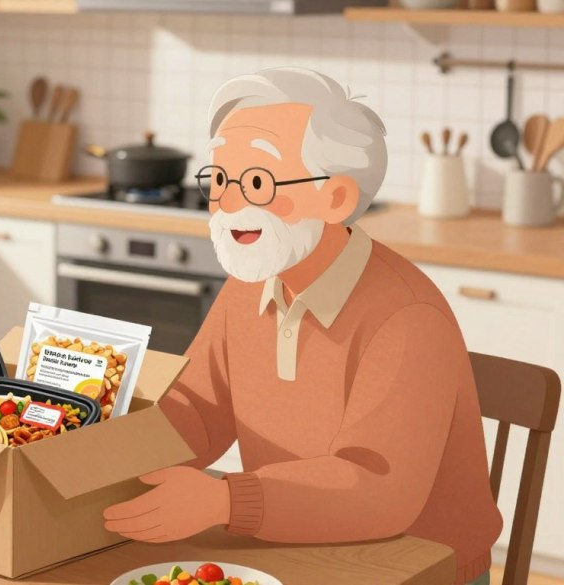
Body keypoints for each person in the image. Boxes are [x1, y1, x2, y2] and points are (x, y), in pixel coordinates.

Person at [102, 68, 501, 585]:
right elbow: (198, 409)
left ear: (336, 198)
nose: (228, 203)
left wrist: (225, 501)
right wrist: (103, 448)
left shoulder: (407, 318)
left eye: (258, 183)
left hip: (418, 566)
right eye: (220, 181)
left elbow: (378, 488)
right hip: (288, 548)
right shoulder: (251, 284)